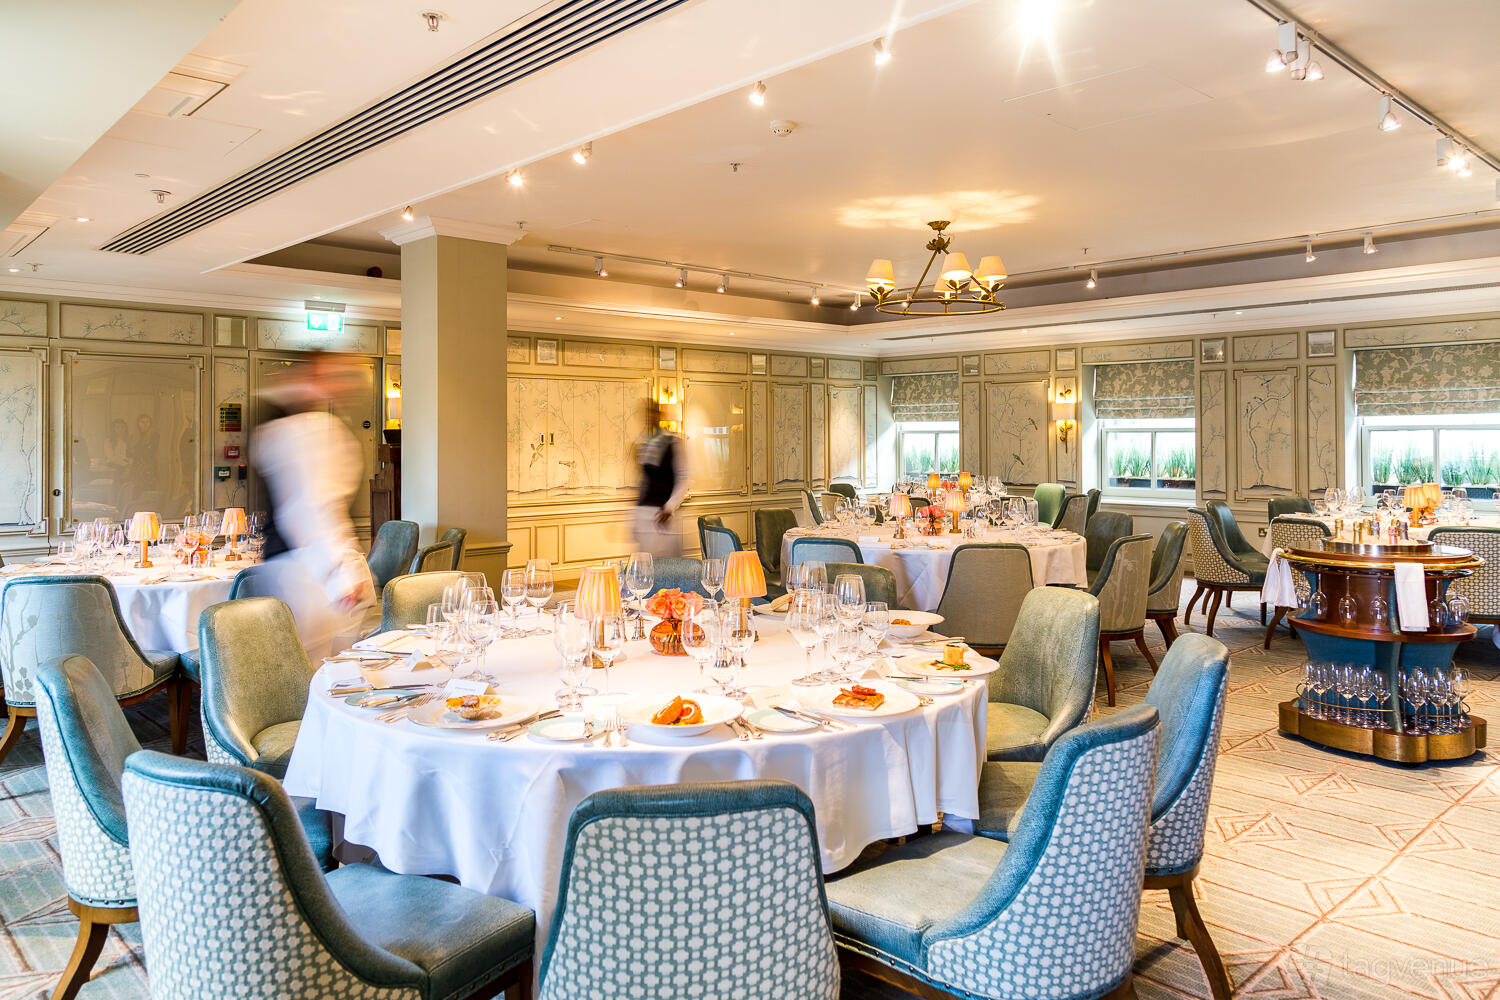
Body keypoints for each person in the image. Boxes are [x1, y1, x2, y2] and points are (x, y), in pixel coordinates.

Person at [250, 353, 375, 659]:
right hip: (306, 575)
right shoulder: (307, 429)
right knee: (317, 668)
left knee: (298, 664)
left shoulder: (277, 423)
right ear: (312, 378)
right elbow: (312, 509)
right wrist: (340, 576)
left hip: (293, 567)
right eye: (332, 376)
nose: (340, 386)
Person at [631, 399, 689, 557]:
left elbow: (684, 477)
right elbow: (643, 482)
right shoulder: (643, 443)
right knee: (644, 567)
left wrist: (670, 507)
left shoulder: (674, 441)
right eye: (646, 412)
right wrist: (634, 518)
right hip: (643, 513)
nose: (649, 416)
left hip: (662, 514)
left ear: (659, 414)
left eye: (653, 412)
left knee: (666, 567)